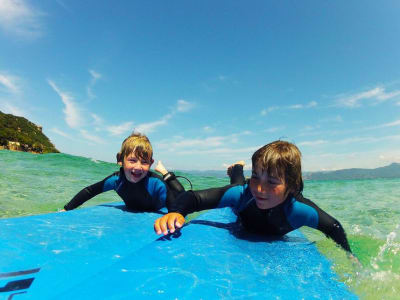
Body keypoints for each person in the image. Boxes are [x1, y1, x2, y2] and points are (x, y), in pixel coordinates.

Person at [154, 140, 353, 253]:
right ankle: (237, 168)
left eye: (272, 182)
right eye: (256, 177)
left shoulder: (299, 210)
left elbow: (333, 227)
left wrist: (349, 256)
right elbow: (194, 198)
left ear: (291, 187)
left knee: (238, 183)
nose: (259, 189)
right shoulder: (243, 195)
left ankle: (236, 167)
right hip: (239, 191)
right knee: (236, 184)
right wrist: (177, 213)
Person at [62, 133, 184, 212]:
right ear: (120, 160)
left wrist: (174, 216)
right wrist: (67, 209)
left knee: (181, 194)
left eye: (144, 162)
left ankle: (164, 172)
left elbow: (178, 205)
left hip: (159, 208)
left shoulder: (157, 184)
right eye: (132, 160)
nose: (138, 167)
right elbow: (90, 191)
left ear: (151, 163)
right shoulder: (116, 180)